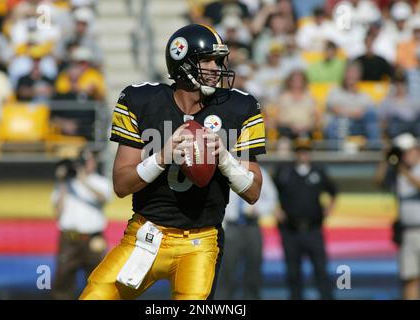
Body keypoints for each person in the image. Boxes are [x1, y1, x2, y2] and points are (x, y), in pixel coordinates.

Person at [79, 24, 266, 300]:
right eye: (207, 60)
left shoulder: (239, 107)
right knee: (94, 296)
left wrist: (224, 159)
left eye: (218, 60)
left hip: (201, 241)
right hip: (146, 235)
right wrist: (162, 157)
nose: (217, 68)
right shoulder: (142, 101)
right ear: (183, 62)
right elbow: (121, 184)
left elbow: (253, 193)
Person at [273, 139, 337, 300]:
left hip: (313, 229)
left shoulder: (318, 171)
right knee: (293, 273)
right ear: (296, 153)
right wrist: (276, 210)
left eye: (306, 151)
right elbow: (270, 191)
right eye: (300, 151)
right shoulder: (284, 172)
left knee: (321, 270)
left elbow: (333, 191)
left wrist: (329, 209)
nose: (303, 154)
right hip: (290, 230)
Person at [51, 149, 113, 300]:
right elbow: (57, 211)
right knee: (63, 279)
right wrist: (63, 182)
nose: (87, 164)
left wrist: (83, 179)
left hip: (94, 238)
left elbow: (103, 198)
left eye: (90, 160)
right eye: (84, 161)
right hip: (69, 239)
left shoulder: (101, 182)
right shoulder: (66, 184)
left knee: (97, 279)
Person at [216, 167, 277, 300]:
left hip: (252, 227)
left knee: (253, 269)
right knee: (227, 271)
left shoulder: (259, 172)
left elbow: (271, 199)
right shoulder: (225, 169)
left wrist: (258, 209)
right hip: (231, 227)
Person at [376, 133, 420, 300]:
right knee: (410, 278)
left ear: (416, 150)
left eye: (407, 152)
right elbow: (379, 182)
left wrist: (404, 172)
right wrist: (386, 158)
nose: (405, 156)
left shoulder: (410, 171)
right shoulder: (398, 172)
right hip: (407, 232)